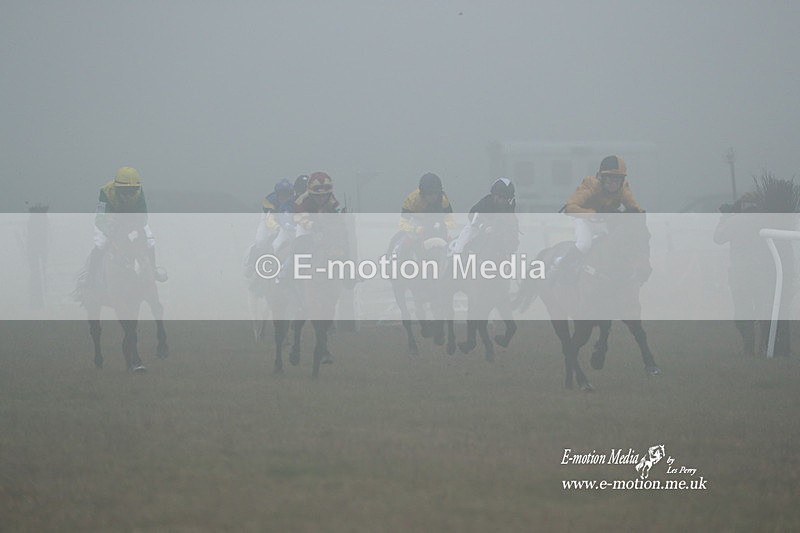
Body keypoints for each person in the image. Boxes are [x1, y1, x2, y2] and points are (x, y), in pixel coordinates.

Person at [554, 155, 644, 275]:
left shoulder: (623, 188)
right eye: (610, 179)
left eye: (617, 180)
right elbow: (570, 207)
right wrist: (593, 214)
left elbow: (635, 207)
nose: (613, 184)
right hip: (584, 220)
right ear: (601, 178)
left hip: (605, 222)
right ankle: (560, 264)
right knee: (584, 245)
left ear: (622, 180)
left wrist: (638, 214)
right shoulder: (590, 185)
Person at [84, 166, 165, 287]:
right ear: (117, 189)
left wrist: (132, 226)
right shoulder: (106, 192)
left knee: (150, 240)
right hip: (109, 220)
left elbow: (143, 216)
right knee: (101, 243)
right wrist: (111, 230)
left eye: (132, 191)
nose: (129, 196)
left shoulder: (139, 192)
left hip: (131, 220)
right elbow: (100, 219)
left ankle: (153, 270)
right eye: (125, 192)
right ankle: (91, 277)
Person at [392, 173, 455, 255]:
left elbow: (451, 221)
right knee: (409, 239)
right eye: (429, 194)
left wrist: (443, 225)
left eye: (436, 193)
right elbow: (402, 224)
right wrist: (416, 229)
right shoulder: (411, 200)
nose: (433, 197)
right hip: (418, 223)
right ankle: (399, 256)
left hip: (438, 224)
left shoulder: (443, 199)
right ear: (422, 193)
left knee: (453, 244)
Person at [451, 178, 518, 255]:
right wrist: (483, 226)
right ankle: (456, 253)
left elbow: (512, 220)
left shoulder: (509, 206)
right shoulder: (486, 202)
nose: (504, 201)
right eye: (501, 197)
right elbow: (472, 214)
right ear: (495, 196)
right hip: (477, 227)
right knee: (465, 238)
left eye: (507, 199)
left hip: (496, 230)